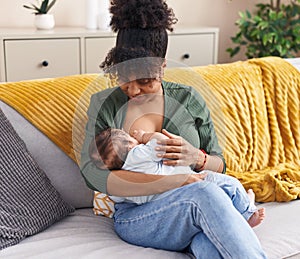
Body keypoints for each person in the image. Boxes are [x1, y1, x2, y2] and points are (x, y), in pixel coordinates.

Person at [80, 0, 267, 258]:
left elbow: (221, 165)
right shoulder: (103, 104)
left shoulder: (189, 100)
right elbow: (94, 175)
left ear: (162, 67)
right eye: (124, 79)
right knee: (203, 193)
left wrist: (197, 158)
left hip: (190, 209)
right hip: (137, 216)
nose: (133, 90)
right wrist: (174, 181)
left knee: (207, 244)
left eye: (145, 81)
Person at [89, 128, 265, 228]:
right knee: (230, 183)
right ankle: (247, 212)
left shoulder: (118, 184)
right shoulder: (136, 154)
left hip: (165, 205)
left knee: (218, 199)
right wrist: (145, 136)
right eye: (130, 136)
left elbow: (114, 197)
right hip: (191, 184)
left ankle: (236, 215)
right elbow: (161, 143)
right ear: (128, 144)